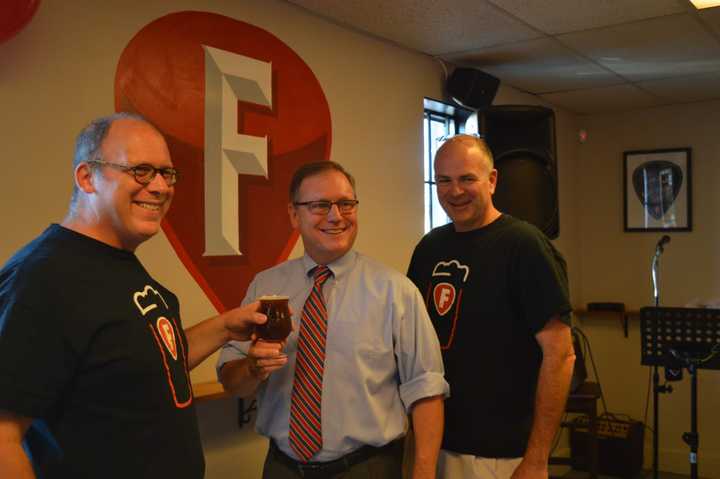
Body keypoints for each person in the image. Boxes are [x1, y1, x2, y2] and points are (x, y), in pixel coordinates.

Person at [0, 113, 266, 479]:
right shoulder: (44, 278)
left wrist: (224, 327)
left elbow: (149, 362)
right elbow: (4, 436)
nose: (159, 187)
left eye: (166, 173)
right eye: (141, 170)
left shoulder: (118, 263)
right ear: (87, 177)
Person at [217, 161, 449, 479]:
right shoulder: (264, 288)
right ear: (293, 214)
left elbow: (426, 388)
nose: (336, 216)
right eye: (320, 205)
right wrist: (252, 368)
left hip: (368, 467)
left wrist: (423, 472)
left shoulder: (396, 292)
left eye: (345, 203)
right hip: (282, 468)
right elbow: (232, 382)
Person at [406, 134, 575, 479]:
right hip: (436, 444)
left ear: (492, 180)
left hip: (501, 456)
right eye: (444, 180)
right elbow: (414, 347)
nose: (455, 191)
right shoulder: (429, 248)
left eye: (467, 178)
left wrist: (537, 458)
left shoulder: (524, 246)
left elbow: (560, 356)